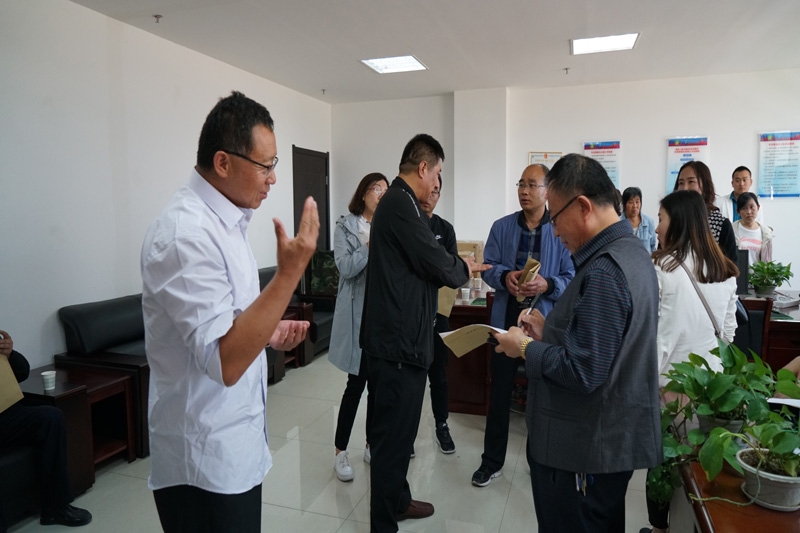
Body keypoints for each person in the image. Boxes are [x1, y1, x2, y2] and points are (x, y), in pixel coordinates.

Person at [141, 91, 319, 533]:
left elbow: (229, 321)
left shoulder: (227, 221)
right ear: (222, 162)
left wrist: (268, 333)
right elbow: (224, 361)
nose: (273, 179)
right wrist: (288, 274)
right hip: (202, 461)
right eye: (265, 166)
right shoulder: (185, 234)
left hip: (235, 444)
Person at [491, 154, 662, 533]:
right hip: (602, 441)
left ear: (583, 207)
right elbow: (605, 343)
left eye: (555, 218)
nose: (553, 232)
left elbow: (584, 370)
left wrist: (524, 347)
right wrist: (549, 330)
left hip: (583, 449)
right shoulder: (630, 251)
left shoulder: (605, 269)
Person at [359, 134, 489, 532]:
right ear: (423, 168)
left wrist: (456, 266)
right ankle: (384, 523)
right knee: (391, 443)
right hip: (396, 347)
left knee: (400, 438)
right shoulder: (400, 204)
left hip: (403, 342)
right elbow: (435, 262)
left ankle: (398, 501)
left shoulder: (404, 205)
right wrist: (464, 267)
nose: (437, 182)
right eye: (437, 173)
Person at [640, 190, 740, 533]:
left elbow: (650, 332)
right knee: (699, 466)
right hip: (711, 388)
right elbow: (728, 335)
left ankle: (659, 528)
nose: (657, 228)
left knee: (663, 462)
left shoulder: (660, 267)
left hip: (667, 385)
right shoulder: (725, 270)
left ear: (678, 221)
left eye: (661, 219)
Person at [472, 164, 574, 487]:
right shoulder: (502, 227)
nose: (524, 191)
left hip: (542, 324)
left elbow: (572, 276)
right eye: (521, 184)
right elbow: (488, 266)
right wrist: (505, 277)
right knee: (499, 393)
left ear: (547, 191)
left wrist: (547, 284)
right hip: (506, 320)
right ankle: (491, 461)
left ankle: (541, 462)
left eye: (532, 184)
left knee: (542, 397)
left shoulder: (560, 228)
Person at [0, 329, 92, 529]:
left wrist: (10, 354)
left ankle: (55, 507)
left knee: (50, 417)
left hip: (5, 413)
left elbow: (22, 373)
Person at [330, 172, 389, 481]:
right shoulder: (345, 227)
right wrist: (369, 245)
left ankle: (370, 444)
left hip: (382, 317)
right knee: (356, 385)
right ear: (364, 193)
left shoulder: (387, 225)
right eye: (377, 188)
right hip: (358, 317)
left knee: (378, 387)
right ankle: (340, 451)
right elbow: (346, 268)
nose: (381, 194)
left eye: (385, 190)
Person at [418, 174, 459, 455]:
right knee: (413, 376)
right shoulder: (409, 224)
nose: (430, 196)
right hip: (412, 315)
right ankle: (408, 431)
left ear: (439, 196)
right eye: (427, 190)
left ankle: (441, 425)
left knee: (439, 375)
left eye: (435, 192)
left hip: (439, 313)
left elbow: (452, 268)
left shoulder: (445, 229)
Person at [674, 160, 738, 263]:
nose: (684, 188)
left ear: (705, 185)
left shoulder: (720, 225)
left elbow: (731, 268)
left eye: (691, 182)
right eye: (681, 183)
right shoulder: (672, 222)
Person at [732, 192, 774, 266]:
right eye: (744, 208)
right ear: (738, 211)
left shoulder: (766, 233)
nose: (749, 212)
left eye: (752, 207)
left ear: (758, 208)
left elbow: (768, 262)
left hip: (758, 274)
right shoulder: (731, 230)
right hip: (737, 273)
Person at [620, 187, 657, 253]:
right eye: (631, 202)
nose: (635, 206)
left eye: (637, 202)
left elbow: (652, 247)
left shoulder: (648, 221)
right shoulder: (618, 223)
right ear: (624, 204)